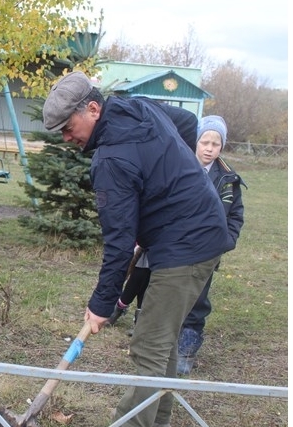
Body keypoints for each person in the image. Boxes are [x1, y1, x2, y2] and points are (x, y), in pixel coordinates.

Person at [42, 71, 234, 427]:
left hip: (186, 247)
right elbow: (187, 121)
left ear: (94, 108)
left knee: (148, 347)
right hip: (200, 233)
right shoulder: (139, 108)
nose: (67, 138)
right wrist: (177, 179)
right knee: (163, 346)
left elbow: (118, 242)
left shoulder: (111, 160)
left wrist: (102, 305)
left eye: (68, 127)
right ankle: (157, 421)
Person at [109, 116, 246, 376]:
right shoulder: (180, 167)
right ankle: (146, 325)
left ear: (222, 147)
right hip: (170, 248)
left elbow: (235, 215)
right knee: (151, 286)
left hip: (206, 252)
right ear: (195, 142)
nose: (209, 148)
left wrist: (225, 242)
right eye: (204, 141)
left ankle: (187, 343)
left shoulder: (227, 179)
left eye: (215, 144)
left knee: (197, 299)